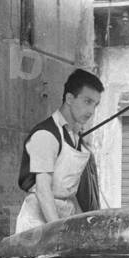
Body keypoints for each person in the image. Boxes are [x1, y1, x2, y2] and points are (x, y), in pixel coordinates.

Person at [16, 69, 103, 232]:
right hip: (39, 220)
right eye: (87, 101)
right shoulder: (46, 135)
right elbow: (43, 191)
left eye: (95, 104)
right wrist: (57, 231)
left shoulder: (75, 137)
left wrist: (85, 226)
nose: (91, 111)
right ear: (69, 98)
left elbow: (69, 193)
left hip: (65, 214)